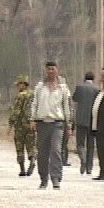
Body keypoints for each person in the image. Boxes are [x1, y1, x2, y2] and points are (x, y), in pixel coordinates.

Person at [29, 61, 73, 190]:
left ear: (57, 70)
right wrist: (32, 119)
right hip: (42, 123)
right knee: (42, 153)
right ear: (45, 70)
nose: (50, 71)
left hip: (57, 124)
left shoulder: (63, 88)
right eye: (48, 69)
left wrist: (69, 125)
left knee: (56, 150)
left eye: (53, 69)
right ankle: (43, 179)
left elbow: (67, 107)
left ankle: (56, 178)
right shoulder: (39, 87)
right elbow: (34, 104)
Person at [8, 74, 35, 177]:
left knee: (19, 146)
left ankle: (22, 169)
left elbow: (17, 111)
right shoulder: (33, 95)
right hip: (31, 124)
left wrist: (10, 124)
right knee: (31, 145)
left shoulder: (20, 96)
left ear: (23, 84)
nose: (18, 87)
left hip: (20, 125)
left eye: (19, 84)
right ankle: (32, 160)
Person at [72, 72, 99, 175]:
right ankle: (89, 167)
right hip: (92, 121)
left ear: (85, 78)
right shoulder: (96, 90)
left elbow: (75, 99)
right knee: (91, 145)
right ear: (93, 79)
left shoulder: (79, 87)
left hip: (80, 120)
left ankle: (83, 159)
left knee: (80, 143)